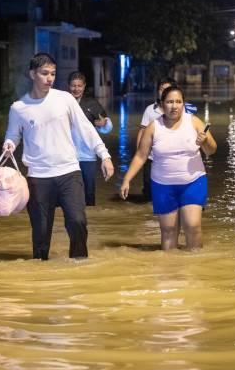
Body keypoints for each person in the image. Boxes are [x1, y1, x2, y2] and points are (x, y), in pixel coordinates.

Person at [3, 53, 115, 260]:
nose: (50, 78)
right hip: (38, 178)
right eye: (44, 73)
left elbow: (86, 129)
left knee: (78, 221)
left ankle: (79, 264)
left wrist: (104, 155)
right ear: (32, 74)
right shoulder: (19, 108)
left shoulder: (65, 99)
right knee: (41, 234)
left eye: (53, 74)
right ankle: (41, 272)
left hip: (69, 173)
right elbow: (12, 135)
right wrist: (9, 145)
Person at [120, 86, 216, 250]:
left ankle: (196, 267)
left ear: (183, 104)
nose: (174, 106)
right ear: (162, 105)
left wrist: (205, 141)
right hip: (162, 185)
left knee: (192, 226)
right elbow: (141, 155)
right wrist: (127, 180)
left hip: (193, 182)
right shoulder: (153, 126)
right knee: (168, 230)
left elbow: (211, 150)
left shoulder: (193, 121)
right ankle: (169, 269)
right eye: (170, 102)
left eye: (178, 102)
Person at [136, 77, 197, 201]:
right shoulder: (150, 110)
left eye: (167, 89)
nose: (163, 92)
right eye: (161, 89)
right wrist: (139, 152)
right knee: (148, 189)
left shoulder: (181, 109)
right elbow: (142, 130)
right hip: (151, 156)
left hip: (173, 157)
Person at [68, 71, 113, 206]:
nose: (76, 89)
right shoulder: (62, 103)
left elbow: (107, 126)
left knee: (89, 192)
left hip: (88, 156)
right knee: (68, 193)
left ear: (84, 86)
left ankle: (90, 221)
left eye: (79, 86)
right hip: (67, 157)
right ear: (68, 86)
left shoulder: (91, 103)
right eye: (73, 85)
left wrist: (104, 124)